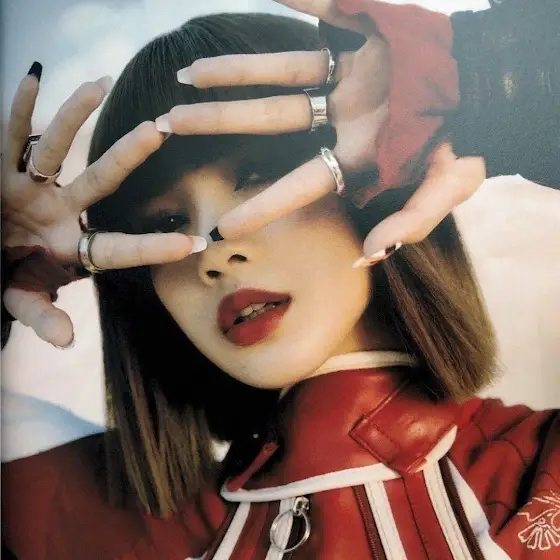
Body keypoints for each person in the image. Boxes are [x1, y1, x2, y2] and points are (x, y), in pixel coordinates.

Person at [2, 1, 559, 559]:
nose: (214, 252)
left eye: (257, 175)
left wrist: (503, 76)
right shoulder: (107, 524)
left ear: (376, 179)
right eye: (164, 224)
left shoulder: (541, 473)